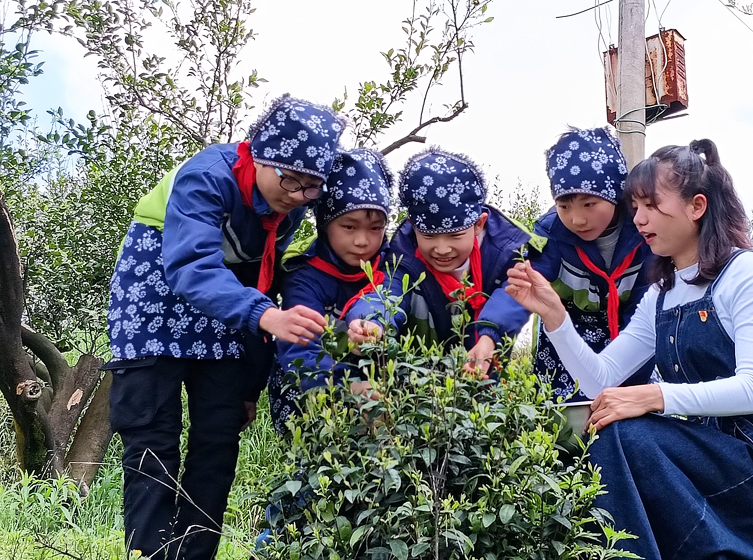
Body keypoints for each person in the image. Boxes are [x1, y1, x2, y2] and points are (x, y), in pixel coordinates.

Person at [505, 139, 753, 559]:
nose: (639, 218)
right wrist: (555, 317)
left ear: (697, 206)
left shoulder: (746, 271)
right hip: (707, 453)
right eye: (635, 206)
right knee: (611, 427)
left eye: (651, 205)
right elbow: (599, 379)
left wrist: (651, 397)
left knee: (626, 430)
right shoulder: (662, 292)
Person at [103, 94, 345, 560]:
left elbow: (264, 277)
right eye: (289, 179)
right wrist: (266, 317)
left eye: (310, 187)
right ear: (259, 153)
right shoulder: (207, 176)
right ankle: (151, 555)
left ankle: (194, 555)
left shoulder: (290, 208)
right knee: (152, 435)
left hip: (229, 304)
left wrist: (250, 386)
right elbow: (191, 265)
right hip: (157, 287)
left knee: (218, 433)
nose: (296, 195)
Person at [346, 147, 538, 376]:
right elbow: (387, 291)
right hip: (416, 385)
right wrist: (372, 322)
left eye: (455, 236)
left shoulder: (505, 253)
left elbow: (512, 295)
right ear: (413, 226)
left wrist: (489, 338)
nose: (442, 249)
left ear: (479, 224)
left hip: (485, 375)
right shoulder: (402, 257)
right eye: (428, 236)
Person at [268, 147, 394, 435]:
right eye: (349, 226)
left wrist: (372, 324)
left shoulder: (393, 264)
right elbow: (300, 345)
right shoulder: (304, 274)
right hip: (310, 382)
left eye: (375, 228)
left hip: (376, 384)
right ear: (325, 224)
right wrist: (345, 389)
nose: (362, 241)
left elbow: (389, 301)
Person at [531, 127, 654, 401]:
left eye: (589, 204)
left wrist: (626, 392)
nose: (577, 219)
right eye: (564, 206)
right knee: (566, 434)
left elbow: (643, 319)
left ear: (615, 194)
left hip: (631, 352)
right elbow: (519, 286)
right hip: (565, 355)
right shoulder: (549, 235)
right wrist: (489, 334)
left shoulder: (644, 235)